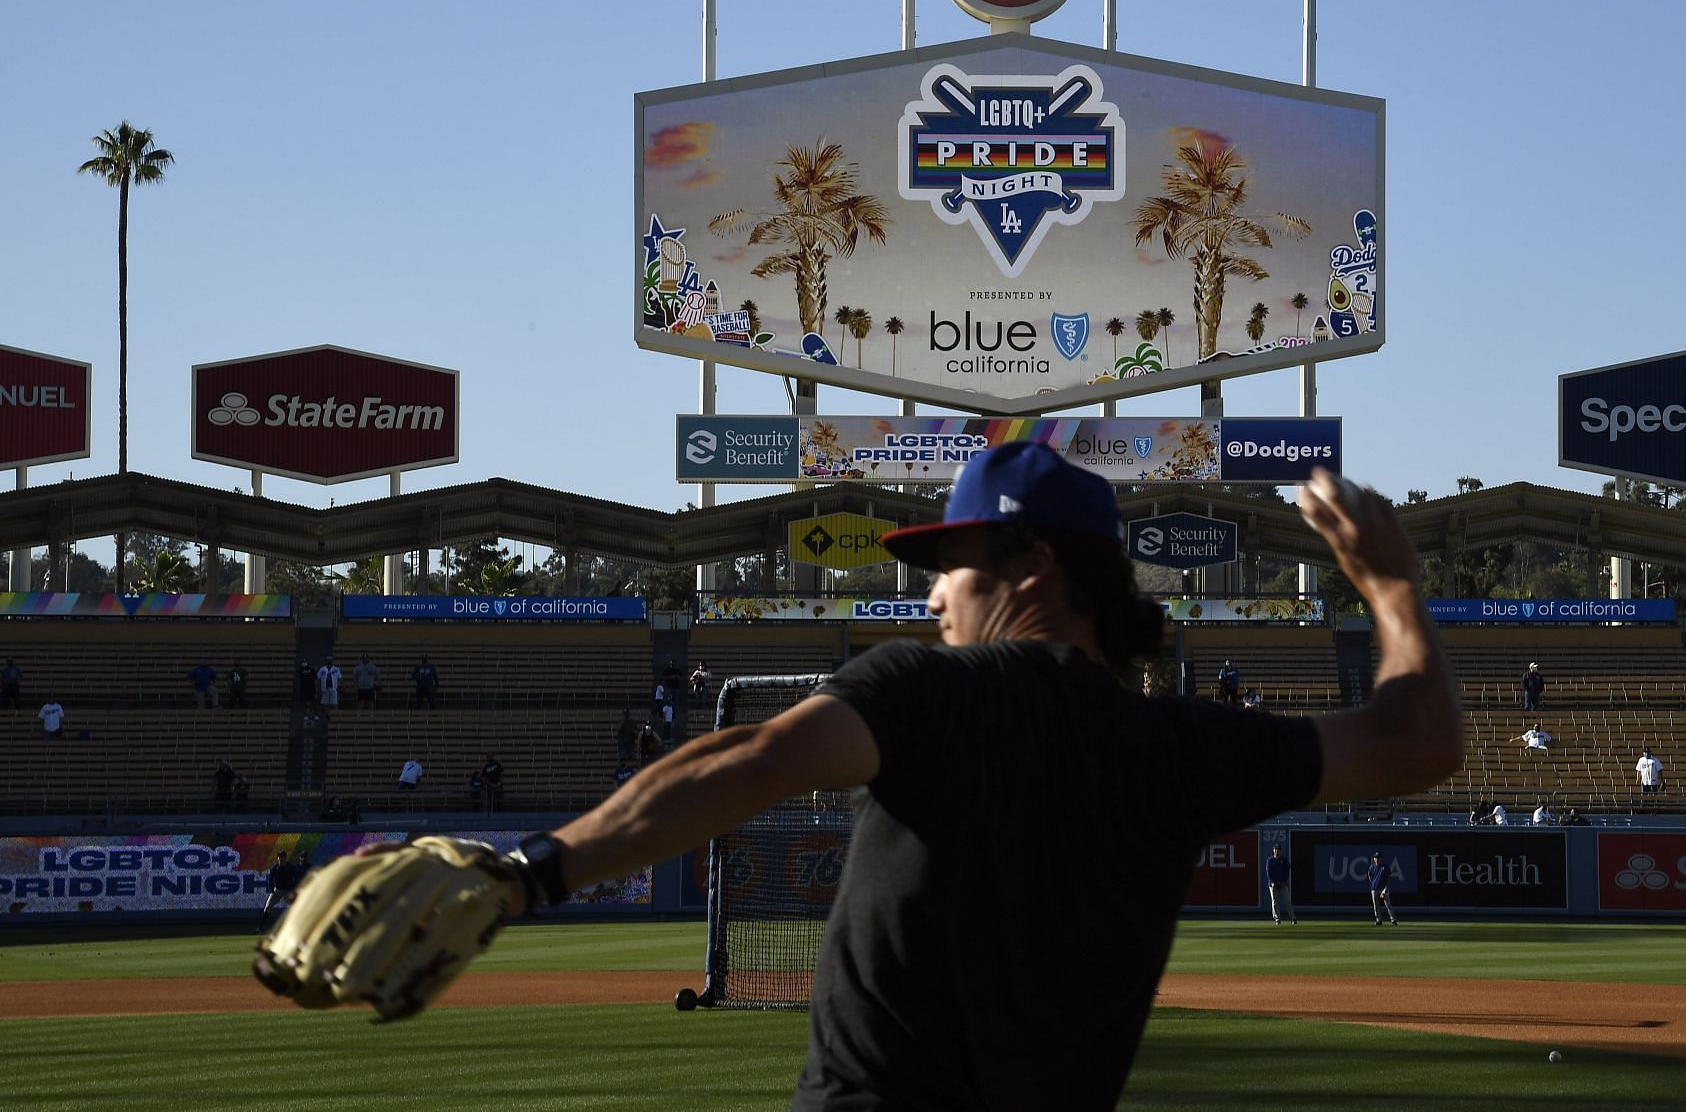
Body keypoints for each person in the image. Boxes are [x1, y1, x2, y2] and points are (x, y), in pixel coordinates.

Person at [330, 450, 1458, 1107]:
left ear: (1032, 565)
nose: (930, 598)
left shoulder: (933, 690)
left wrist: (532, 872)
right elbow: (1416, 740)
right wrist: (1392, 587)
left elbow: (751, 759)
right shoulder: (1185, 746)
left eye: (949, 566)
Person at [258, 852, 301, 932]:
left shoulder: (290, 867)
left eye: (282, 857)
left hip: (289, 891)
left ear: (285, 858)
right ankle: (261, 928)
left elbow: (297, 878)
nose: (280, 859)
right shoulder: (275, 867)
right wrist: (272, 890)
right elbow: (270, 879)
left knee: (296, 908)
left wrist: (294, 889)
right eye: (279, 857)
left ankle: (298, 928)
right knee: (267, 907)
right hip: (278, 890)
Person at [1265, 844, 1297, 925]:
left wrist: (1283, 881)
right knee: (1275, 902)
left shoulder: (1284, 860)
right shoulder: (1270, 860)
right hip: (1273, 884)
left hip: (1282, 884)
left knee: (1287, 901)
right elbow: (1269, 873)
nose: (1277, 851)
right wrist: (1273, 882)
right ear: (1273, 850)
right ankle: (1277, 919)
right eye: (1275, 849)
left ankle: (1293, 918)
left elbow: (1287, 872)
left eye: (1278, 849)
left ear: (1280, 850)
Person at [1366, 852, 1399, 926]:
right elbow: (1369, 875)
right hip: (1374, 888)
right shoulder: (1372, 867)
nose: (1376, 859)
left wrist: (1386, 888)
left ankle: (1393, 920)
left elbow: (1388, 877)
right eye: (1375, 857)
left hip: (1383, 889)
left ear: (1381, 858)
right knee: (1376, 906)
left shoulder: (1385, 867)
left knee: (1388, 905)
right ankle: (1378, 920)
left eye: (1378, 857)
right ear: (1374, 859)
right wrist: (1373, 883)